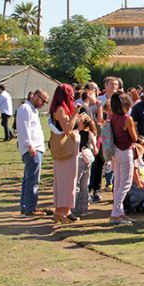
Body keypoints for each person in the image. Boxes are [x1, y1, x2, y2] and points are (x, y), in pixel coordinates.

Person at [49, 84, 81, 224]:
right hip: (65, 150)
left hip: (65, 150)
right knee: (66, 181)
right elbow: (67, 128)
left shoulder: (59, 108)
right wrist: (75, 112)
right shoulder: (61, 109)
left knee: (66, 180)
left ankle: (64, 211)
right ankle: (61, 211)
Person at [16, 89, 49, 216]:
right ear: (36, 97)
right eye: (43, 101)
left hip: (35, 148)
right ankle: (31, 208)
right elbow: (25, 129)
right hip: (32, 149)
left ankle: (25, 206)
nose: (43, 104)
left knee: (28, 178)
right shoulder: (26, 109)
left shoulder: (32, 110)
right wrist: (30, 146)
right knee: (33, 180)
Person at [110, 92, 138, 226]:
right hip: (125, 151)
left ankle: (119, 212)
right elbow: (134, 137)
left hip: (115, 151)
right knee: (125, 183)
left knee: (118, 182)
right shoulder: (127, 119)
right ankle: (116, 213)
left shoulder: (112, 117)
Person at [73, 113, 98, 217]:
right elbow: (96, 150)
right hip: (88, 159)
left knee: (76, 184)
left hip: (79, 158)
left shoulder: (76, 133)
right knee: (84, 184)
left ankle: (75, 208)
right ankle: (84, 209)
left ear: (81, 123)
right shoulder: (91, 134)